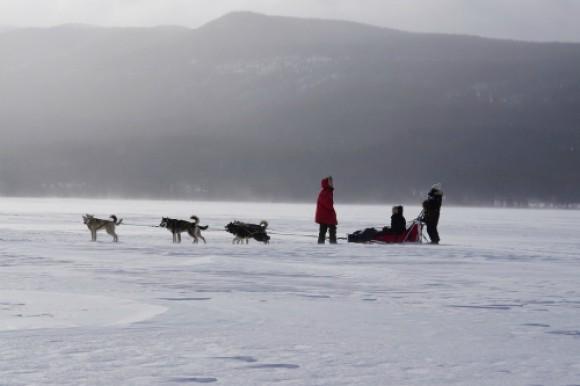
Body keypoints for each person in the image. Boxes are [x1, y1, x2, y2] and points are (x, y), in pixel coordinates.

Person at [315, 176, 337, 244]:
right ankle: (332, 244)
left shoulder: (327, 191)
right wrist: (332, 207)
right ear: (327, 183)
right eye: (330, 182)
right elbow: (328, 204)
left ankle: (322, 244)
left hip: (325, 215)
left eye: (332, 181)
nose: (332, 183)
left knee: (323, 231)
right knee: (331, 230)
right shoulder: (326, 192)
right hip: (326, 215)